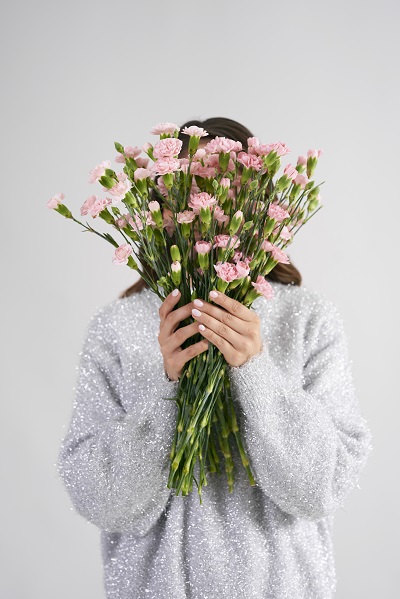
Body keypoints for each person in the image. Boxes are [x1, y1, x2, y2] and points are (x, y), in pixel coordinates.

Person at [57, 117, 373, 599]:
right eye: (189, 191)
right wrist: (168, 389)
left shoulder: (308, 319)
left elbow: (324, 487)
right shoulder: (117, 328)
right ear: (161, 207)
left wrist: (255, 369)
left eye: (226, 192)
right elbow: (95, 496)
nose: (210, 212)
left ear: (258, 205)